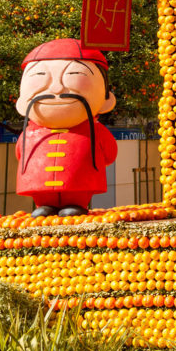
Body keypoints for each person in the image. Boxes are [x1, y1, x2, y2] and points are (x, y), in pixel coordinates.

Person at [15, 38, 118, 217]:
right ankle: (43, 204)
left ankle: (76, 204)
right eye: (39, 77)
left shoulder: (95, 131)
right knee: (43, 211)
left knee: (74, 208)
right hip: (39, 188)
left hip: (79, 190)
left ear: (106, 97)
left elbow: (109, 153)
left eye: (74, 74)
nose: (56, 88)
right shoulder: (30, 133)